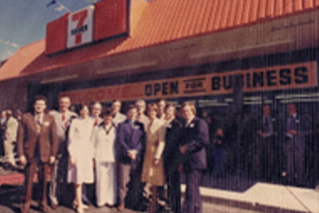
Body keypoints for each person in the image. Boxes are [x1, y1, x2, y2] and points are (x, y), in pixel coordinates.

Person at [17, 95, 58, 213]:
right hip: (30, 154)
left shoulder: (50, 118)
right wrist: (21, 154)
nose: (39, 106)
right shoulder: (26, 117)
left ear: (45, 106)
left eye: (42, 104)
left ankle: (42, 204)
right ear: (34, 105)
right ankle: (26, 204)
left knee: (43, 181)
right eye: (37, 104)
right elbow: (20, 138)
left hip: (45, 153)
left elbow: (54, 138)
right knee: (28, 181)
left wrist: (53, 155)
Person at [179, 102, 209, 213]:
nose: (186, 113)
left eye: (188, 111)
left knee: (191, 189)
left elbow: (203, 141)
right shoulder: (185, 124)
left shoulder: (200, 123)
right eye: (184, 111)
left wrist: (187, 147)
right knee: (192, 189)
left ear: (193, 111)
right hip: (187, 161)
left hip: (196, 162)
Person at [49, 96, 77, 209]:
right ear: (58, 103)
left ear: (70, 103)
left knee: (68, 175)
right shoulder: (52, 115)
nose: (63, 104)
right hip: (56, 149)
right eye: (61, 102)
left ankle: (66, 198)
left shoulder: (74, 116)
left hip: (70, 151)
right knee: (54, 175)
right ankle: (53, 198)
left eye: (66, 102)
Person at [116, 104, 145, 211]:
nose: (132, 114)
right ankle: (121, 202)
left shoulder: (140, 125)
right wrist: (128, 151)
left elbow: (142, 141)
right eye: (130, 112)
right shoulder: (121, 125)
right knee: (123, 182)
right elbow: (120, 140)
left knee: (135, 182)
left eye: (134, 112)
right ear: (127, 113)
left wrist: (135, 151)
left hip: (136, 158)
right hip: (125, 157)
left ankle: (133, 202)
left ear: (137, 113)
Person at [67, 103, 95, 213]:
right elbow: (70, 139)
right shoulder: (75, 122)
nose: (84, 112)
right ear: (79, 111)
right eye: (82, 110)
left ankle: (77, 200)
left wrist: (92, 156)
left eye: (86, 110)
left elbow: (92, 138)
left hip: (87, 152)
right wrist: (71, 154)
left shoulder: (91, 122)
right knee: (77, 179)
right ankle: (79, 205)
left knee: (82, 178)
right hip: (77, 151)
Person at [141, 103, 166, 213]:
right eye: (149, 112)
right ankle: (152, 202)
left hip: (155, 154)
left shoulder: (160, 124)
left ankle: (154, 204)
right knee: (150, 179)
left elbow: (162, 141)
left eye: (153, 112)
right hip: (148, 153)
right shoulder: (149, 124)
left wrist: (157, 156)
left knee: (155, 179)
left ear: (156, 112)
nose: (151, 114)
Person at [283, 103, 311, 186]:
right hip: (288, 144)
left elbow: (309, 131)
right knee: (289, 163)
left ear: (296, 109)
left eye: (291, 108)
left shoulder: (302, 119)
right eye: (288, 108)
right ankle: (289, 179)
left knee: (299, 163)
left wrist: (298, 132)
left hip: (299, 144)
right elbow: (281, 129)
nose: (289, 110)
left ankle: (300, 180)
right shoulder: (285, 118)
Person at [94, 109, 117, 207]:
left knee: (111, 180)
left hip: (112, 157)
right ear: (103, 117)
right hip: (100, 157)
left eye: (110, 116)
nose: (108, 118)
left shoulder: (116, 129)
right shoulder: (97, 129)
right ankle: (101, 200)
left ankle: (111, 200)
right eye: (106, 116)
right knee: (100, 180)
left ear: (112, 118)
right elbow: (93, 143)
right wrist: (94, 157)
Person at [163, 104, 182, 213]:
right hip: (167, 159)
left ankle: (176, 208)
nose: (168, 112)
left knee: (174, 184)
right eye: (167, 111)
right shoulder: (165, 124)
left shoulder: (177, 125)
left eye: (171, 111)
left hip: (173, 159)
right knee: (169, 183)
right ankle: (170, 205)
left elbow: (174, 143)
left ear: (174, 112)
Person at [254, 105, 277, 180]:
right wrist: (258, 131)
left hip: (270, 139)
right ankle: (258, 174)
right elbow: (254, 127)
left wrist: (276, 132)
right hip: (261, 139)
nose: (267, 111)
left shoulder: (273, 118)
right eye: (265, 109)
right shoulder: (259, 118)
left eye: (268, 109)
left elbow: (277, 127)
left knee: (270, 156)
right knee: (259, 156)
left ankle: (270, 174)